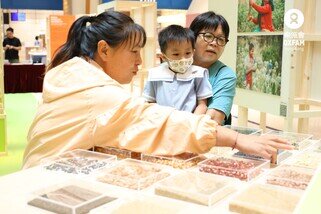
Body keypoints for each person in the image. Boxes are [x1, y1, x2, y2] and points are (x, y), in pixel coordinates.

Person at [23, 11, 292, 169]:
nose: (140, 61)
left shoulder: (74, 75)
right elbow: (155, 118)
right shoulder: (98, 92)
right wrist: (234, 139)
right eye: (134, 52)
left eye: (220, 39)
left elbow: (208, 112)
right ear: (104, 50)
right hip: (47, 180)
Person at [143, 25, 212, 114]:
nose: (183, 58)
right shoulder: (155, 75)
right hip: (162, 123)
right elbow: (150, 103)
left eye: (187, 53)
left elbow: (202, 104)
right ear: (164, 56)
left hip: (189, 123)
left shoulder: (198, 74)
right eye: (176, 54)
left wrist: (193, 122)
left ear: (193, 52)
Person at [190, 11, 235, 125]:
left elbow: (212, 121)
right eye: (208, 36)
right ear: (192, 37)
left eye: (220, 39)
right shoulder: (172, 67)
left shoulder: (225, 75)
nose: (214, 43)